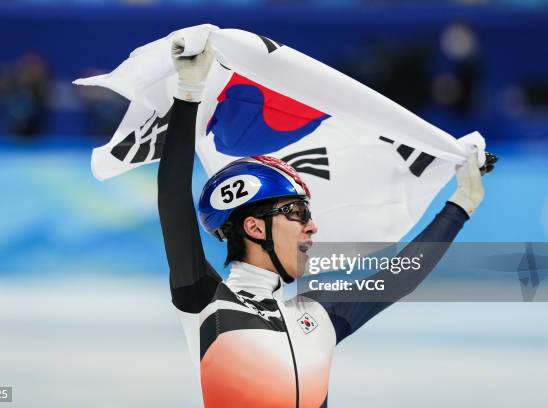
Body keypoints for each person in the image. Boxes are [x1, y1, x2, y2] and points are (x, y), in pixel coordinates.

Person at [157, 38, 496, 408]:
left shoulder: (316, 313)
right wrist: (189, 94)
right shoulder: (208, 304)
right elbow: (173, 201)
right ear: (255, 228)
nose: (312, 227)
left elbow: (401, 275)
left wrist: (461, 204)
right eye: (298, 214)